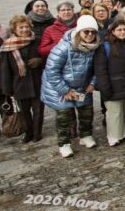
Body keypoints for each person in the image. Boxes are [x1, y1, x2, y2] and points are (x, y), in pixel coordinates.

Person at [40, 15, 100, 158]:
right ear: (79, 32)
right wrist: (64, 90)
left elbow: (98, 68)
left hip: (82, 87)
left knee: (87, 113)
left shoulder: (95, 48)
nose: (90, 35)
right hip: (60, 89)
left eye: (93, 32)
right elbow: (51, 70)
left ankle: (85, 135)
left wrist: (93, 83)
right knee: (64, 117)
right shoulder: (63, 48)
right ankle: (64, 143)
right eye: (86, 32)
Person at [0, 15, 45, 143]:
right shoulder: (7, 46)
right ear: (14, 29)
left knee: (38, 110)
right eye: (21, 27)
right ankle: (28, 132)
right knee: (24, 111)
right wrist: (7, 89)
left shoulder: (37, 40)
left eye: (26, 27)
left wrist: (40, 60)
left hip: (37, 81)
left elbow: (49, 57)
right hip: (19, 84)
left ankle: (37, 133)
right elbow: (5, 69)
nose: (25, 30)